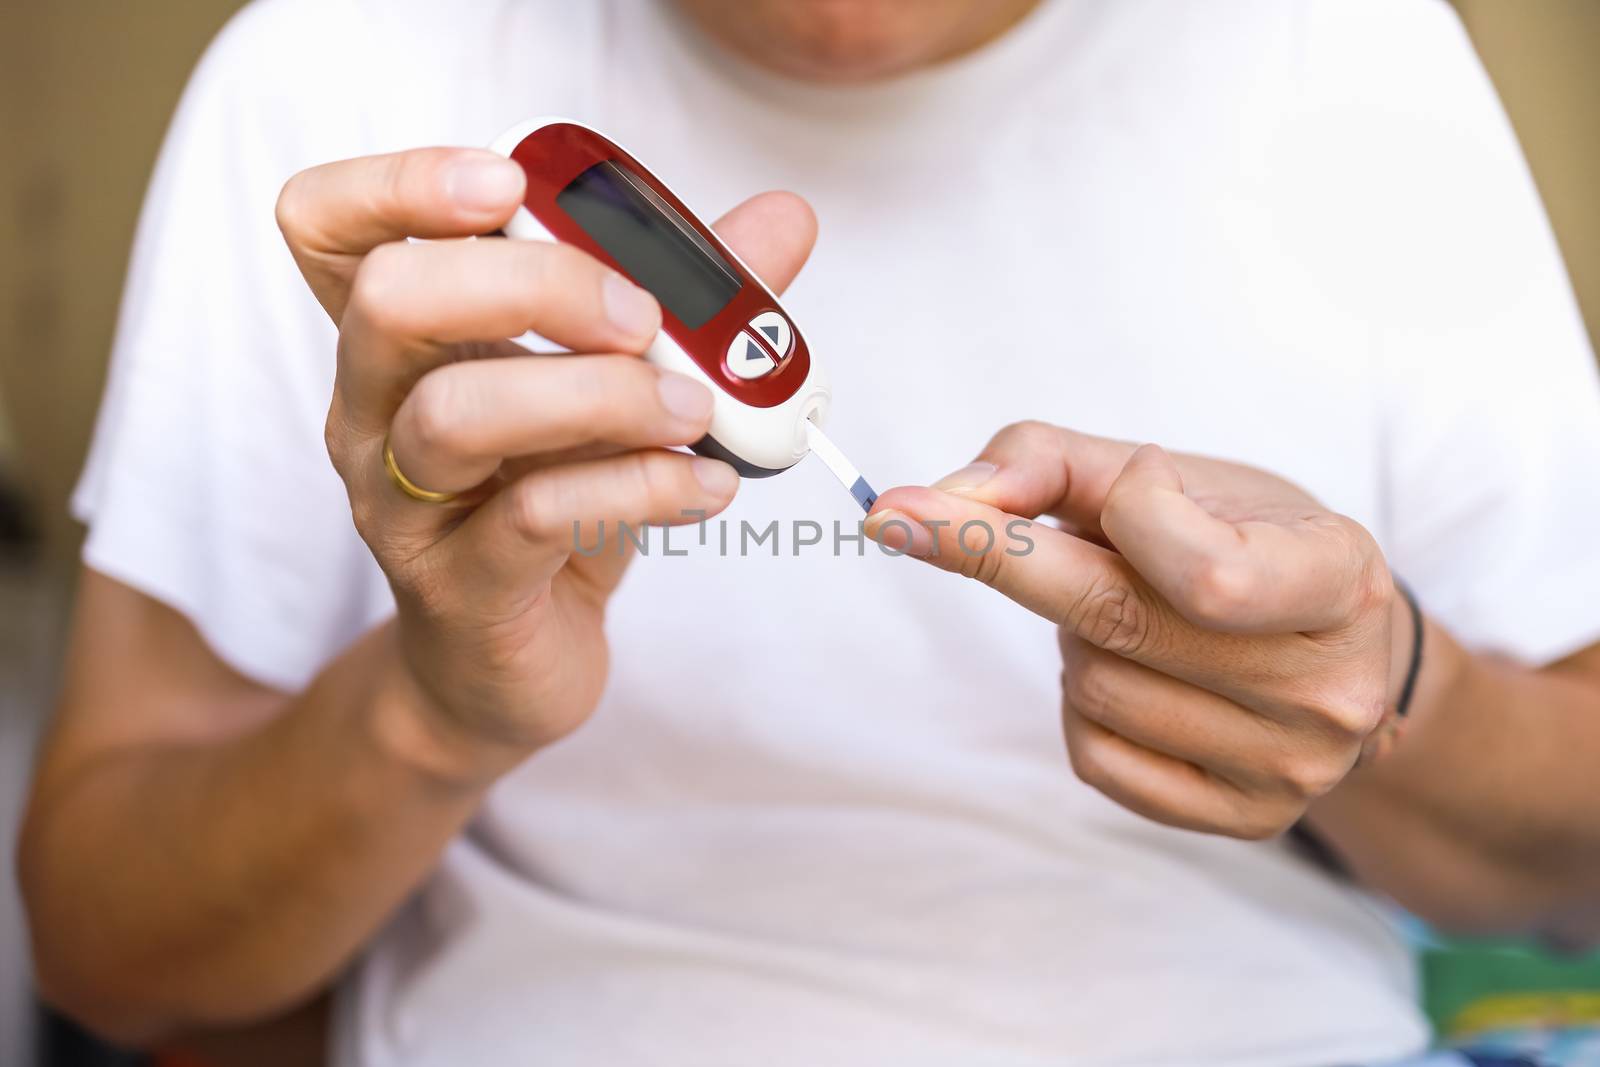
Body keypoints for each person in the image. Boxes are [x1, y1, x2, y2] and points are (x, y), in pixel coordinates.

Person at [19, 0, 1600, 1064]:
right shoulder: (340, 71)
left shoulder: (1360, 54)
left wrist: (1391, 688)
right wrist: (434, 710)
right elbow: (105, 945)